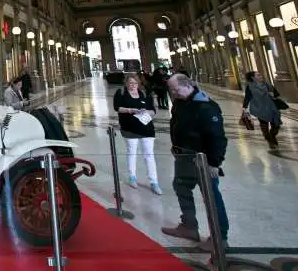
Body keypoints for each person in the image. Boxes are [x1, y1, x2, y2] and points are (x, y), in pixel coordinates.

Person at [162, 74, 229, 251]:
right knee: (181, 187)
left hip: (202, 158)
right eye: (172, 90)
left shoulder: (206, 107)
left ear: (188, 85)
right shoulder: (179, 103)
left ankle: (220, 237)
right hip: (183, 155)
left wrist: (214, 163)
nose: (174, 93)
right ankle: (189, 226)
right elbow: (175, 124)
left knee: (211, 196)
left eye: (176, 90)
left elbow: (217, 138)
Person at [113, 74, 162, 195]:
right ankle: (132, 176)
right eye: (130, 83)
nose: (133, 85)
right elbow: (117, 107)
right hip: (130, 128)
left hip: (146, 128)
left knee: (149, 155)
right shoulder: (121, 93)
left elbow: (153, 110)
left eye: (135, 83)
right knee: (132, 151)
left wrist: (148, 112)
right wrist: (131, 110)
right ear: (126, 83)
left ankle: (154, 181)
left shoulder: (144, 94)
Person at [243, 71, 282, 149]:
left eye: (260, 74)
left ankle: (272, 136)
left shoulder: (267, 84)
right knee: (264, 124)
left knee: (276, 124)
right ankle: (269, 139)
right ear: (253, 78)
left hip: (271, 106)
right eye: (258, 75)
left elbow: (276, 94)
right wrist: (244, 107)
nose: (261, 76)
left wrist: (272, 94)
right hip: (259, 108)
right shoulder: (250, 86)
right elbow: (247, 97)